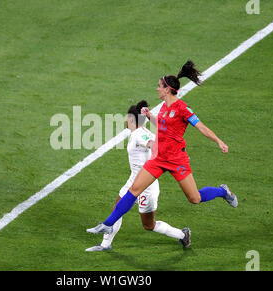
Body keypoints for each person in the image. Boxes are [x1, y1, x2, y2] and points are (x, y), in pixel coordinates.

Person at [87, 60, 238, 248]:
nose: (157, 89)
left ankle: (222, 192)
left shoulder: (182, 108)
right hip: (158, 159)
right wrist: (150, 116)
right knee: (133, 190)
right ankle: (108, 224)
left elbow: (201, 127)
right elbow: (164, 125)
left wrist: (219, 141)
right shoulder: (165, 107)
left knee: (195, 199)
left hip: (176, 160)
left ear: (167, 89)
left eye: (159, 86)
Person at [85, 101, 189, 252]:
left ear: (132, 120)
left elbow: (152, 144)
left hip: (147, 185)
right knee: (117, 209)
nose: (125, 120)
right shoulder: (144, 131)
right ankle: (105, 245)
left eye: (127, 118)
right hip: (133, 180)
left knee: (148, 225)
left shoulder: (139, 135)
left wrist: (161, 150)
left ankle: (182, 234)